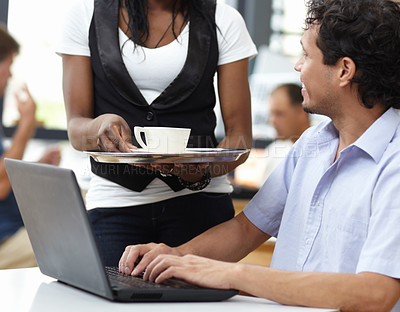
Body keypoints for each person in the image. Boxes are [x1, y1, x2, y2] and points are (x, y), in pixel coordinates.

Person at [118, 0, 400, 311]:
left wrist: (231, 275)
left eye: (306, 54)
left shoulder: (394, 161)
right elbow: (246, 229)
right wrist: (177, 256)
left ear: (344, 70)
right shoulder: (313, 144)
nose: (297, 65)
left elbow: (377, 293)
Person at [57, 0, 256, 266]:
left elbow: (240, 138)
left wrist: (203, 170)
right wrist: (99, 127)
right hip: (115, 201)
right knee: (110, 304)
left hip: (200, 203)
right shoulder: (85, 15)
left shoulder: (225, 20)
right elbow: (76, 128)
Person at [0, 25, 61, 269]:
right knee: (71, 240)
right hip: (5, 240)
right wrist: (26, 125)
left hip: (13, 229)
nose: (10, 76)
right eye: (9, 65)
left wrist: (36, 166)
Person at [233, 83, 310, 189]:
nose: (272, 121)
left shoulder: (322, 151)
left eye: (279, 114)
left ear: (302, 112)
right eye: (271, 114)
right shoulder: (274, 150)